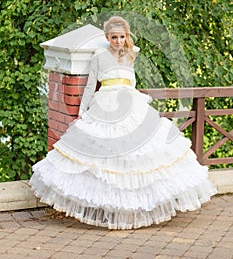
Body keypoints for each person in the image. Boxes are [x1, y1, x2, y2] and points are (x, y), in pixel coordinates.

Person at [30, 16, 217, 230]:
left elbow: (132, 82)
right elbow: (91, 86)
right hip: (105, 103)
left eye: (121, 37)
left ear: (126, 37)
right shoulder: (99, 56)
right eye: (114, 37)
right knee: (110, 155)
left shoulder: (131, 54)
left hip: (130, 102)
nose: (118, 41)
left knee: (137, 156)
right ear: (107, 37)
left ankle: (133, 209)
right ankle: (111, 209)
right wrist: (81, 112)